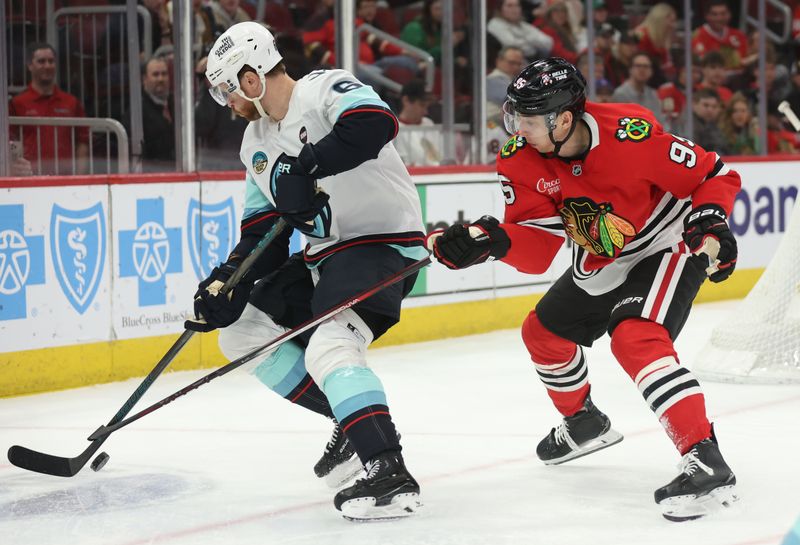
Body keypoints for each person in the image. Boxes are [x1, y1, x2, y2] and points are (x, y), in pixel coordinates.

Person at [428, 57, 740, 521]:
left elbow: (713, 174)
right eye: (515, 116)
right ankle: (584, 421)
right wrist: (492, 244)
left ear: (565, 119)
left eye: (528, 119)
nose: (517, 128)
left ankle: (705, 457)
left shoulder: (630, 133)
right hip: (603, 255)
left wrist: (710, 220)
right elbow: (537, 249)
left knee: (635, 337)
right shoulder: (519, 157)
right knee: (542, 334)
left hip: (665, 242)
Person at [187, 22, 426, 520]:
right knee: (241, 334)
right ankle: (351, 418)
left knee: (329, 343)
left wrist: (307, 165)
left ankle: (388, 468)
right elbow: (262, 231)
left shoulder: (323, 89)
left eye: (227, 89)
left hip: (381, 244)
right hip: (325, 257)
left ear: (251, 79)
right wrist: (229, 279)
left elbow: (374, 123)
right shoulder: (254, 144)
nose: (226, 102)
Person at [8, 42, 89, 176]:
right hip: (30, 180)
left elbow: (82, 143)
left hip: (65, 181)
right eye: (41, 61)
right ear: (29, 65)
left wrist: (78, 178)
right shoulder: (17, 103)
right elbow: (11, 144)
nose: (47, 66)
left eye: (51, 61)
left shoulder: (71, 102)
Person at [138, 56, 175, 171]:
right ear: (144, 79)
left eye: (164, 74)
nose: (161, 79)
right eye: (155, 74)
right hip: (153, 174)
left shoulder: (177, 103)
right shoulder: (138, 110)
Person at [394, 79, 441, 166]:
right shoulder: (394, 128)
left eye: (427, 106)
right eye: (422, 105)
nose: (425, 111)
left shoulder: (429, 123)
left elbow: (438, 157)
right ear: (406, 100)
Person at [487, 0, 553, 62]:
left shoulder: (523, 24)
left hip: (530, 60)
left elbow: (548, 42)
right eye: (509, 6)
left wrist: (526, 41)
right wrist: (533, 45)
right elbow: (512, 46)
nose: (514, 9)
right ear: (500, 9)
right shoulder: (495, 24)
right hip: (509, 63)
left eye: (517, 5)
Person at [611, 52, 666, 125]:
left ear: (651, 71)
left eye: (646, 66)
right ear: (630, 69)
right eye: (638, 66)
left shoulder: (653, 94)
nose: (642, 70)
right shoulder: (620, 94)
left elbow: (659, 122)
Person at [692, 0, 747, 71]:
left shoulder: (739, 35)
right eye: (714, 14)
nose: (719, 18)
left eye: (723, 14)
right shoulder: (698, 35)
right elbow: (703, 64)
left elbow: (745, 59)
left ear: (729, 14)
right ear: (706, 16)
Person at [691, 89, 727, 155]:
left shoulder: (713, 124)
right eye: (706, 105)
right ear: (694, 104)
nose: (710, 110)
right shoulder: (688, 125)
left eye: (714, 106)